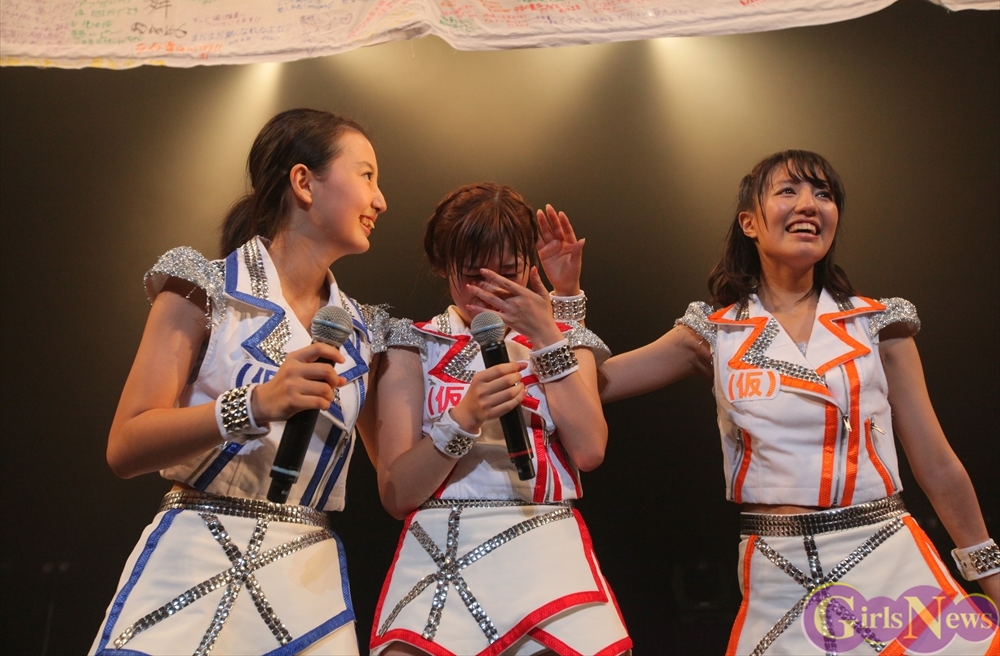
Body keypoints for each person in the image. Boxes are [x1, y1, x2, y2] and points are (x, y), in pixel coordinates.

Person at [598, 150, 999, 654]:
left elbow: (937, 464)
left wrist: (991, 576)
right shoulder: (716, 333)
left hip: (889, 562)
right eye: (788, 191)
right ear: (749, 222)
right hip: (779, 573)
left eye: (823, 194)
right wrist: (564, 305)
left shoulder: (877, 325)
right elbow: (593, 388)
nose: (809, 204)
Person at [90, 108, 389, 655]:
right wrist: (253, 404)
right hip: (193, 565)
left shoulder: (367, 332)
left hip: (307, 586)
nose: (381, 200)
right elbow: (126, 445)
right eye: (366, 175)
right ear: (304, 182)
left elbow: (398, 482)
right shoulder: (203, 288)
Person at [368, 183, 632, 655]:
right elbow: (398, 493)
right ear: (442, 264)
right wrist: (462, 419)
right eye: (472, 274)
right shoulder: (412, 344)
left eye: (507, 273)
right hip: (440, 550)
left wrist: (548, 335)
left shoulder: (562, 338)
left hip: (546, 546)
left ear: (529, 266)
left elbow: (590, 450)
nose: (488, 289)